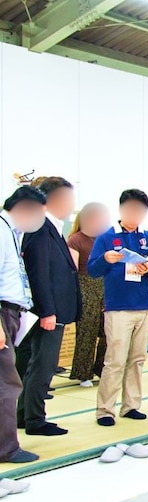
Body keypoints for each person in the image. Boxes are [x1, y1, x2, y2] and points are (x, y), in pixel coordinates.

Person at [88, 189, 148, 427]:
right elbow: (92, 269)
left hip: (145, 306)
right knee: (115, 360)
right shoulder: (106, 238)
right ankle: (105, 410)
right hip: (118, 307)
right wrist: (105, 259)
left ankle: (131, 405)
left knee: (138, 359)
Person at [15, 177, 81, 437]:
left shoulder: (51, 227)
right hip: (47, 310)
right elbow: (38, 273)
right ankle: (35, 419)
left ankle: (25, 416)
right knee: (42, 365)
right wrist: (47, 311)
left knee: (38, 364)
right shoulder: (41, 228)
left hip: (52, 308)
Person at [0, 186, 47, 463]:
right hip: (2, 312)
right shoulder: (1, 230)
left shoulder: (12, 232)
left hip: (11, 312)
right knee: (6, 382)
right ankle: (6, 448)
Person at [67, 202, 111, 387]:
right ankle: (83, 373)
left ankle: (101, 368)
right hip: (85, 285)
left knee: (108, 330)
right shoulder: (75, 239)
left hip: (105, 284)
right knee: (87, 331)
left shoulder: (104, 239)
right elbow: (73, 269)